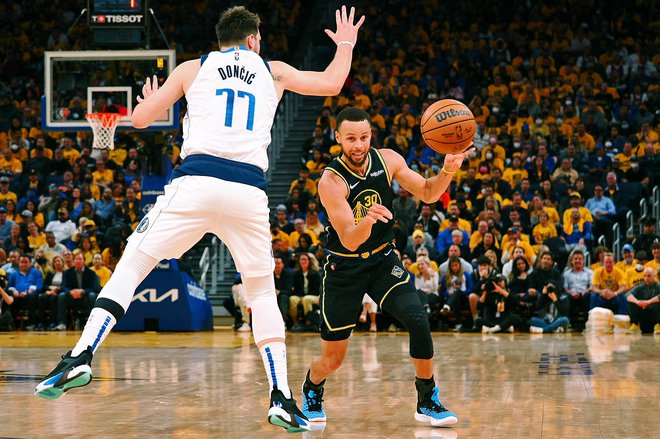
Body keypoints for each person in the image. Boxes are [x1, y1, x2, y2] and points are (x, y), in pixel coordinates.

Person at [36, 5, 366, 432]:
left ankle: (80, 356)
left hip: (197, 180)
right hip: (249, 189)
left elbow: (138, 120)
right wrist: (344, 44)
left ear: (222, 40)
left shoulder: (194, 68)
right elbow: (333, 83)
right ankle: (281, 396)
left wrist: (148, 100)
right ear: (252, 40)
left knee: (134, 264)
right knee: (263, 294)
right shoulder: (274, 70)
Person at [300, 107, 473, 427]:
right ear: (338, 138)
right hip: (344, 268)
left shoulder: (388, 159)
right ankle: (312, 387)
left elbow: (427, 192)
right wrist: (366, 220)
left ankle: (427, 399)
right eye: (350, 138)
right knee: (333, 359)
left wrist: (448, 170)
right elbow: (350, 240)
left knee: (418, 318)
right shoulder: (331, 181)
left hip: (382, 260)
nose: (358, 145)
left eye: (364, 137)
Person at [626, 267, 660, 334]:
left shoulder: (658, 286)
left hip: (655, 316)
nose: (647, 278)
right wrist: (637, 302)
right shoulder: (640, 286)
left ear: (654, 276)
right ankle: (635, 324)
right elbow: (628, 294)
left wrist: (648, 302)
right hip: (643, 315)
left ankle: (659, 325)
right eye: (645, 276)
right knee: (631, 300)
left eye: (649, 276)